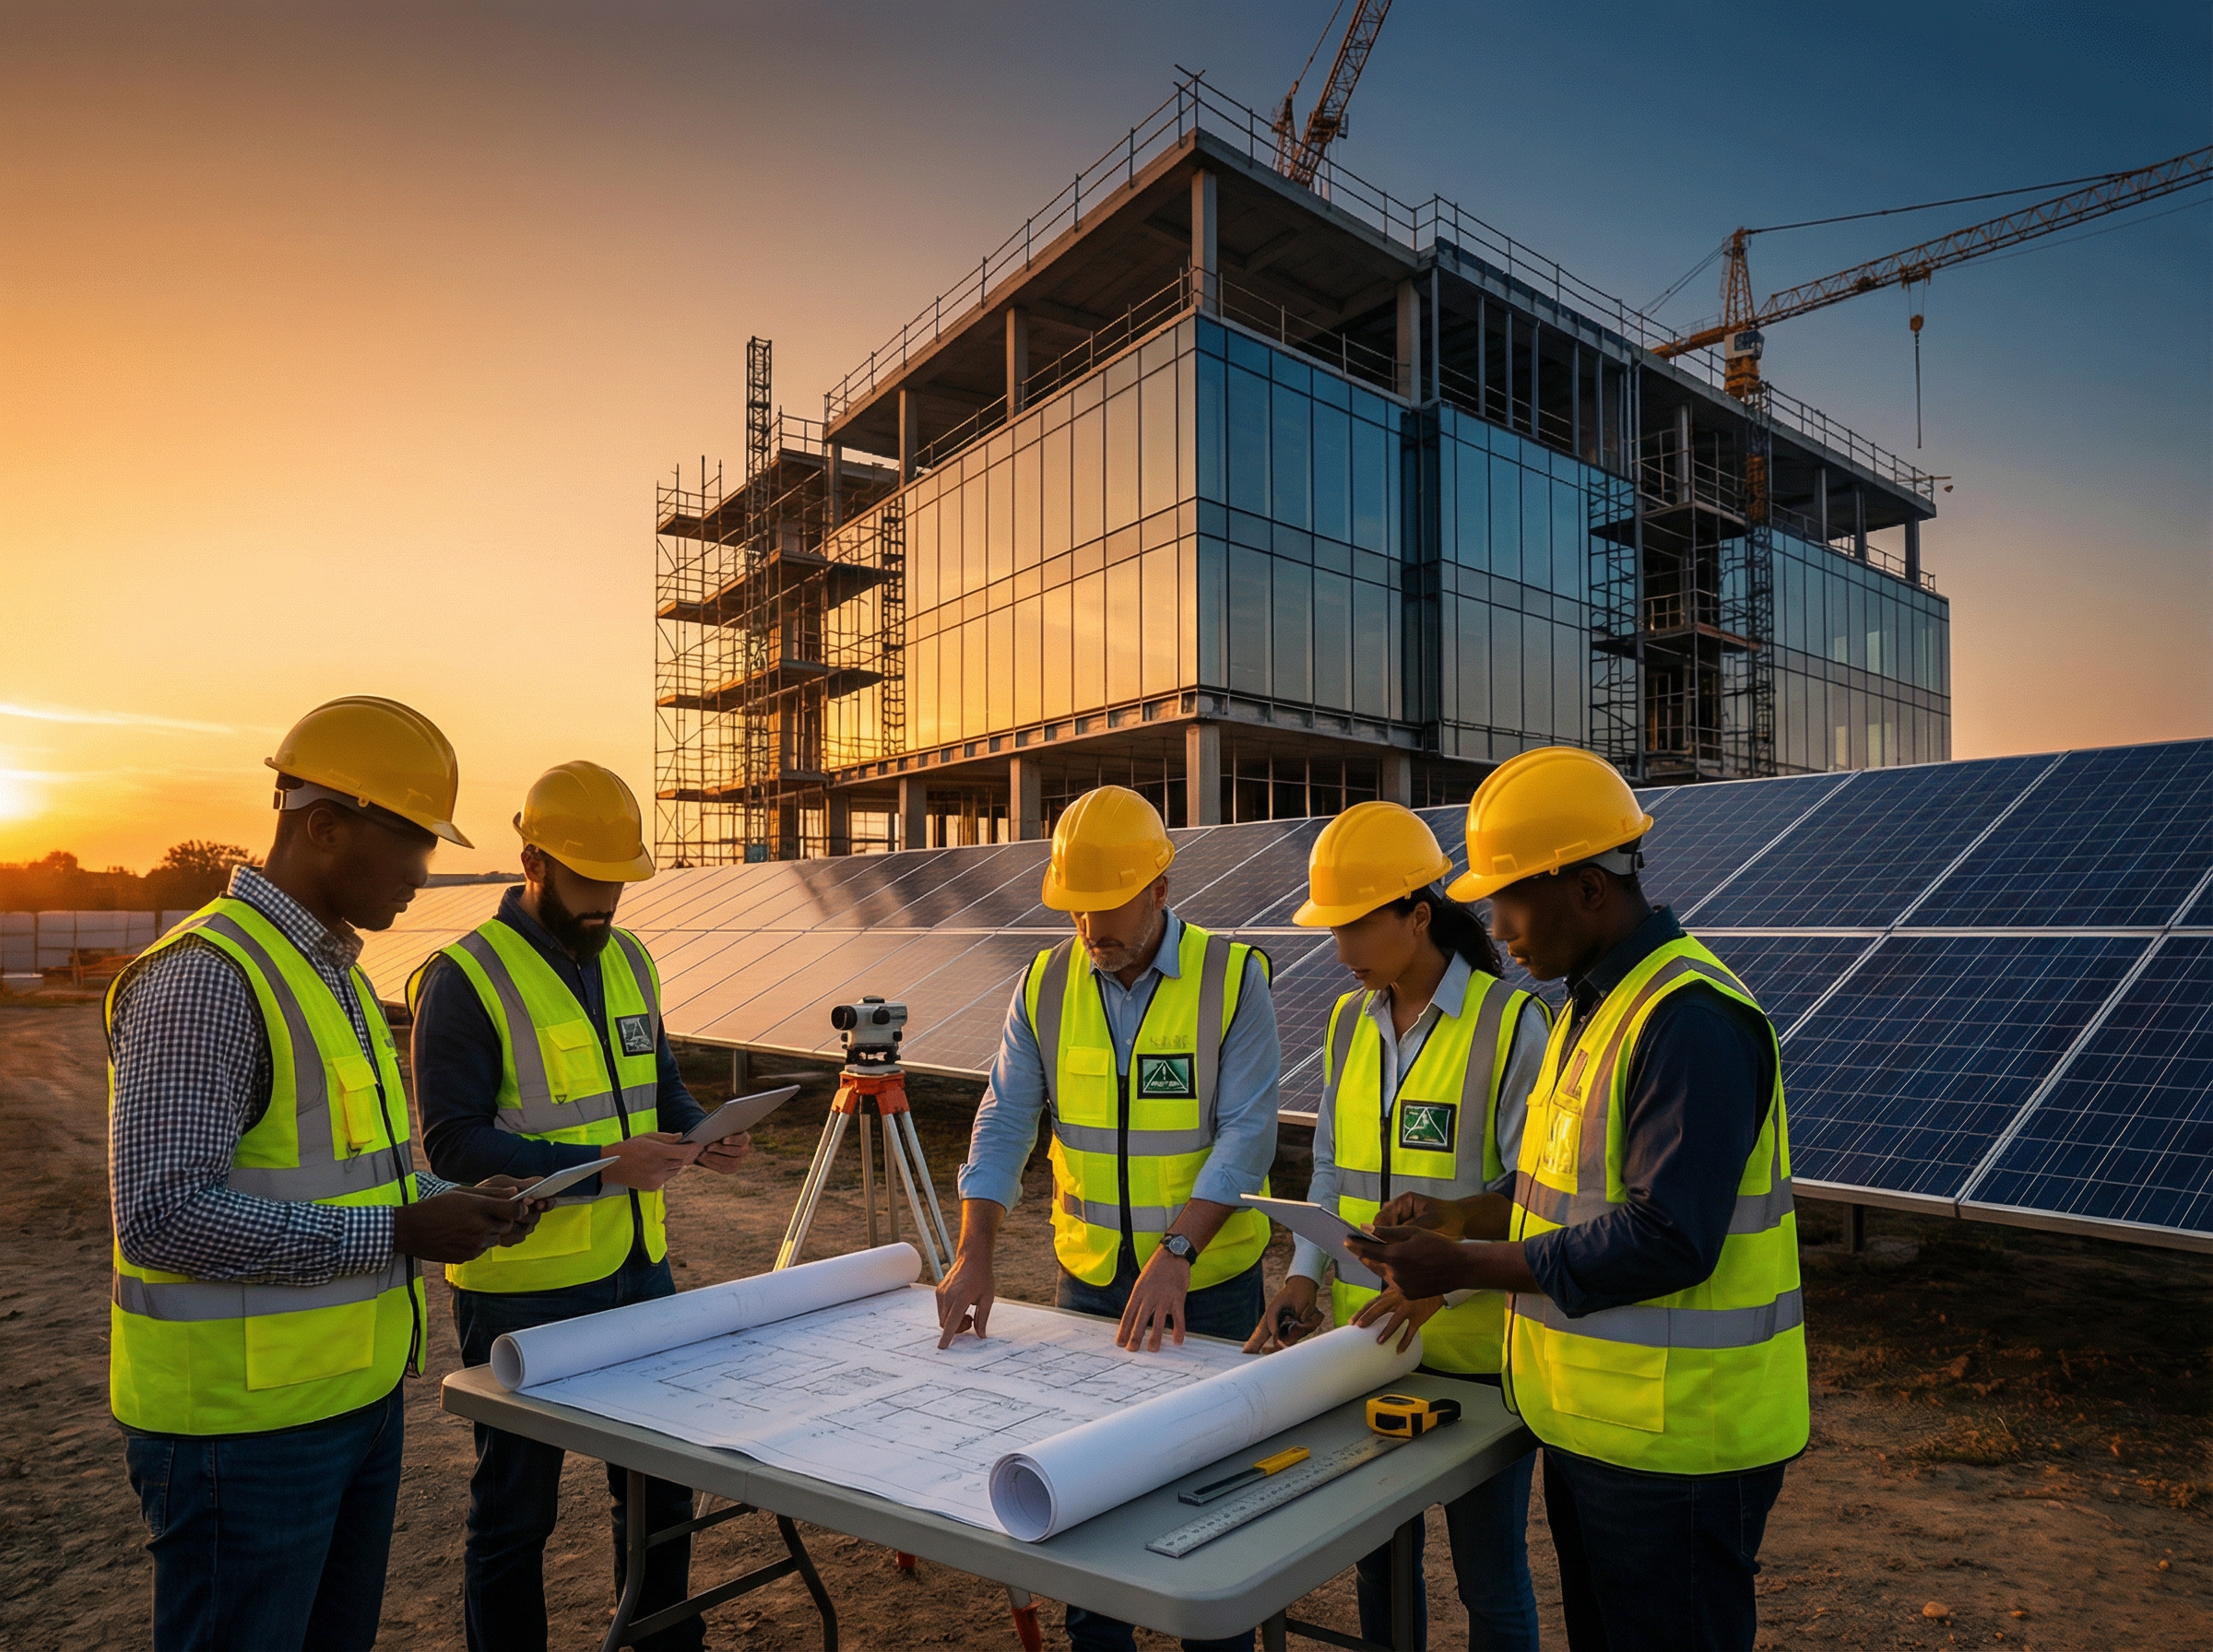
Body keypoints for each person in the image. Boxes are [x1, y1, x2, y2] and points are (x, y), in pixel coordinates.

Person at [108, 695, 547, 1652]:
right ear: (323, 825)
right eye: (411, 842)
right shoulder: (207, 980)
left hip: (350, 1404)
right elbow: (162, 1215)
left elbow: (350, 1176)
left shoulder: (335, 974)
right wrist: (397, 1234)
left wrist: (451, 1202)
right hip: (240, 1436)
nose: (424, 874)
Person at [1346, 746, 1809, 1652]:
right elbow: (1557, 1196)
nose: (1493, 921)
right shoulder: (1590, 1007)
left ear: (1590, 889)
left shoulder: (1689, 1017)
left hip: (1682, 1451)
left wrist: (1467, 1264)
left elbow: (1669, 1236)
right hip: (1605, 1433)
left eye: (1512, 895)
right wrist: (1459, 1217)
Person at [409, 761, 751, 1652]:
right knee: (518, 1508)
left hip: (640, 1268)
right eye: (588, 880)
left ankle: (660, 1640)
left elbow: (659, 1082)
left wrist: (701, 1129)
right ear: (533, 861)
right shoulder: (465, 978)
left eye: (617, 883)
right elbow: (452, 1143)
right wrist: (605, 1167)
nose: (605, 901)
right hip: (526, 1286)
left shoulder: (628, 957)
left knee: (659, 1485)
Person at [934, 785, 1279, 1652]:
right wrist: (975, 1252)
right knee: (1087, 1508)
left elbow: (1246, 1133)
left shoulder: (1233, 979)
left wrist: (1176, 1250)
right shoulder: (1046, 983)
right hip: (1087, 1283)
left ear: (1160, 889)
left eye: (1110, 903)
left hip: (1210, 1285)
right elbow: (1006, 1118)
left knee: (1216, 1506)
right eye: (1076, 907)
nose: (1091, 926)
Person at [1245, 800, 1550, 1652]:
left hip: (1475, 1353)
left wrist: (1443, 1287)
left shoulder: (1509, 1022)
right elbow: (1335, 1169)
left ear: (1418, 917)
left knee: (1489, 1574)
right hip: (1367, 1340)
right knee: (1379, 1558)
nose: (1337, 950)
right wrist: (1304, 1273)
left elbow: (1533, 1189)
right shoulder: (1351, 1022)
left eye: (1353, 926)